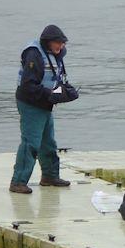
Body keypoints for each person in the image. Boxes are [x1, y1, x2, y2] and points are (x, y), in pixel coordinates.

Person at [10, 25, 78, 194]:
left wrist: (65, 91)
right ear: (48, 42)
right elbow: (28, 86)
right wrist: (51, 94)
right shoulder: (34, 54)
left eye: (62, 43)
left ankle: (49, 176)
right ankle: (18, 181)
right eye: (58, 43)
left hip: (45, 103)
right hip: (31, 103)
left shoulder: (55, 55)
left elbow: (55, 77)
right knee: (31, 143)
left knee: (48, 142)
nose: (61, 47)